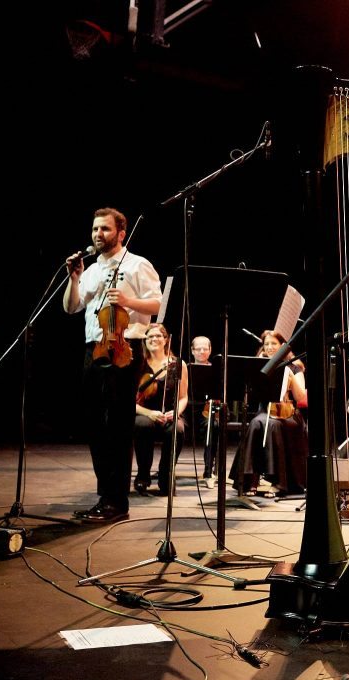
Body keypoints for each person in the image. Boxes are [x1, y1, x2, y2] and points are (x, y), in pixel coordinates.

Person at [63, 207, 162, 522]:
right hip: (93, 350)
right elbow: (71, 307)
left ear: (121, 233)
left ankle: (117, 502)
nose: (97, 235)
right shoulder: (91, 269)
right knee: (94, 424)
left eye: (104, 229)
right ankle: (105, 495)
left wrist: (129, 302)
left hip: (124, 349)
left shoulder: (137, 265)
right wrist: (74, 279)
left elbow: (157, 303)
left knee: (117, 427)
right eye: (94, 229)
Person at [230, 330, 308, 497]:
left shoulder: (295, 367)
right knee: (256, 423)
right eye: (267, 344)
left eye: (274, 343)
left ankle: (278, 482)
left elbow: (300, 397)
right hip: (266, 410)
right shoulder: (260, 367)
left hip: (289, 414)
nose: (270, 347)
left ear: (283, 347)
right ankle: (249, 481)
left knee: (271, 424)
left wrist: (288, 373)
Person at [133, 323, 189, 495]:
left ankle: (166, 475)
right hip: (144, 412)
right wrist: (149, 413)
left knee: (177, 430)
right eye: (149, 336)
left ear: (166, 340)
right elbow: (129, 400)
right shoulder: (138, 364)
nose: (154, 339)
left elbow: (183, 397)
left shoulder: (178, 365)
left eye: (158, 336)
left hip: (169, 413)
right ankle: (143, 475)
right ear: (145, 340)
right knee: (142, 425)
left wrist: (176, 412)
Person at [189, 335, 216, 481]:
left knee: (213, 425)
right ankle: (168, 469)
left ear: (210, 350)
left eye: (205, 348)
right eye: (198, 349)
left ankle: (208, 470)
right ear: (192, 351)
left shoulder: (216, 370)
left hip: (207, 408)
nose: (201, 351)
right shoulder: (185, 369)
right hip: (187, 408)